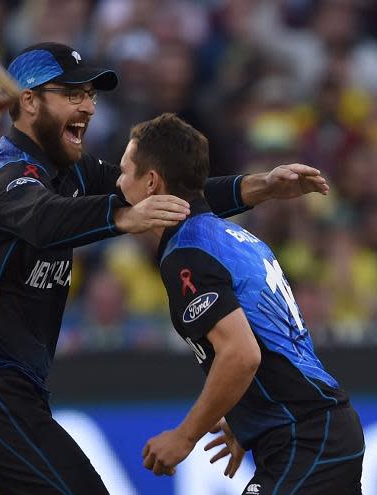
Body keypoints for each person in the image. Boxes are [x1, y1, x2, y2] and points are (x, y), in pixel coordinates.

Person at [0, 42, 330, 494]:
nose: (88, 107)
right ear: (29, 101)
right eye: (73, 94)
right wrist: (123, 217)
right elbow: (46, 221)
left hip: (18, 395)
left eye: (91, 96)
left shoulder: (73, 172)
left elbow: (166, 193)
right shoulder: (5, 180)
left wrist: (260, 187)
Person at [117, 113, 364, 493]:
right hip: (318, 430)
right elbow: (275, 339)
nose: (118, 185)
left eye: (124, 173)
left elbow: (241, 354)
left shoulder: (187, 254)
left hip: (305, 437)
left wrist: (184, 436)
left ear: (151, 182)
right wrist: (249, 414)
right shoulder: (233, 236)